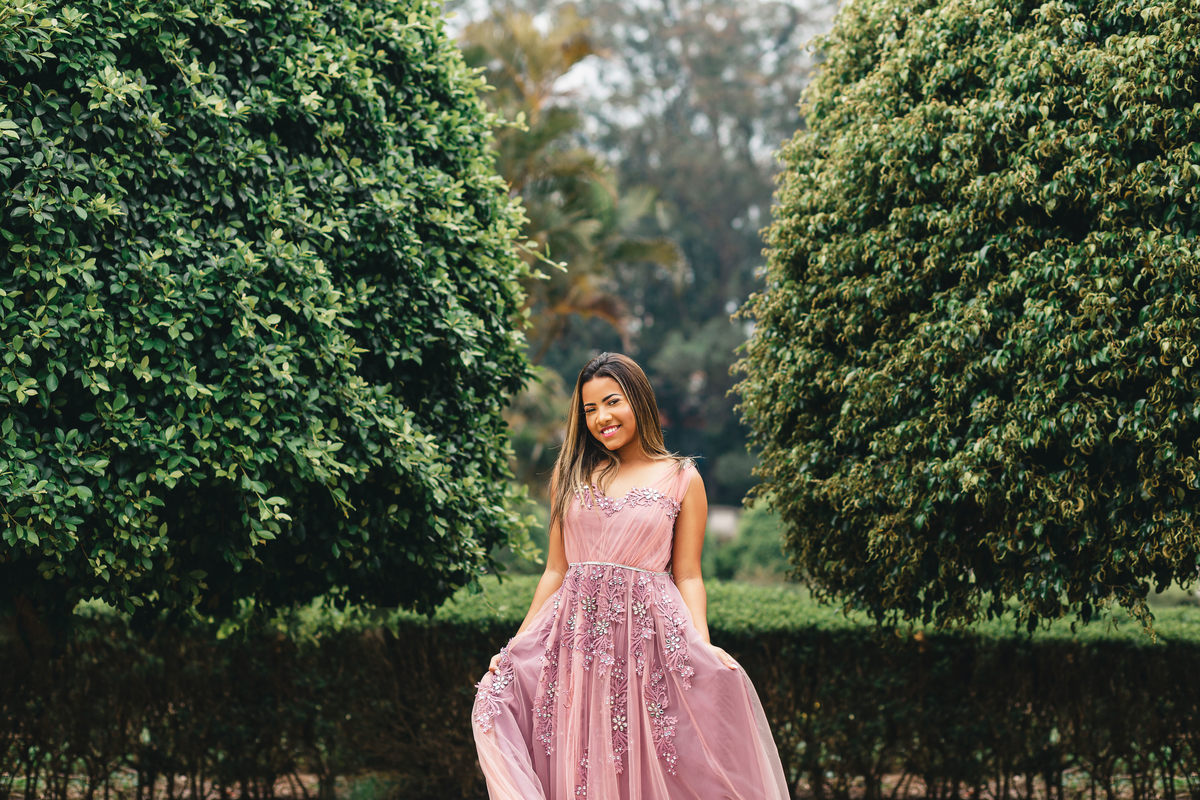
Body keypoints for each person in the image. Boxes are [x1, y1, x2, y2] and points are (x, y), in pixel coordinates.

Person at [472, 352, 790, 799]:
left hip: (648, 649)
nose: (602, 417)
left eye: (612, 401)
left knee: (649, 767)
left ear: (638, 400)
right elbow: (555, 571)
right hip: (575, 647)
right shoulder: (571, 474)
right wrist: (515, 645)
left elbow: (689, 575)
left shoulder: (681, 478)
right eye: (589, 409)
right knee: (537, 733)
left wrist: (701, 642)